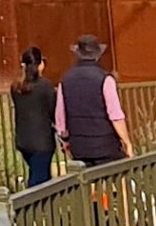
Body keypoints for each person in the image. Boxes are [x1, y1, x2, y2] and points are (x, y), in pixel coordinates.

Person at [56, 36, 130, 169]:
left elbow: (60, 117)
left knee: (88, 184)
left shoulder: (65, 79)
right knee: (117, 180)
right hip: (106, 146)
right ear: (97, 56)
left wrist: (65, 141)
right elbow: (115, 115)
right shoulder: (105, 78)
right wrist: (127, 142)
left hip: (79, 146)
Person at [10, 45, 61, 188]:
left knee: (37, 173)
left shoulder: (16, 87)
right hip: (42, 142)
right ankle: (34, 208)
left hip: (23, 140)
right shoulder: (45, 86)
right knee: (39, 182)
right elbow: (53, 111)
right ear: (40, 65)